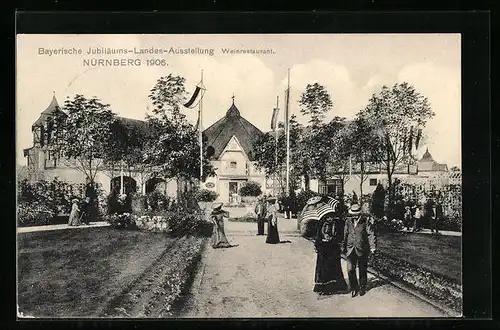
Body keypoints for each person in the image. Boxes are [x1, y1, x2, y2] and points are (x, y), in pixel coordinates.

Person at [342, 203, 377, 298]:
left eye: (356, 213)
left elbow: (370, 234)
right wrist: (343, 246)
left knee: (362, 269)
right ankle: (354, 288)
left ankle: (362, 287)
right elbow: (345, 234)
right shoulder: (348, 221)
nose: (354, 215)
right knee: (350, 269)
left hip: (362, 248)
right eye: (353, 213)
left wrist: (373, 247)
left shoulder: (365, 221)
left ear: (360, 212)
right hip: (350, 248)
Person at [313, 212, 348, 295]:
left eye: (331, 217)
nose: (330, 219)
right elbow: (318, 236)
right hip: (323, 249)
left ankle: (334, 287)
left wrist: (332, 239)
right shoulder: (321, 224)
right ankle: (323, 288)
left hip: (333, 249)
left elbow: (340, 237)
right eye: (328, 217)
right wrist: (320, 242)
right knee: (323, 269)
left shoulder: (337, 225)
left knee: (333, 268)